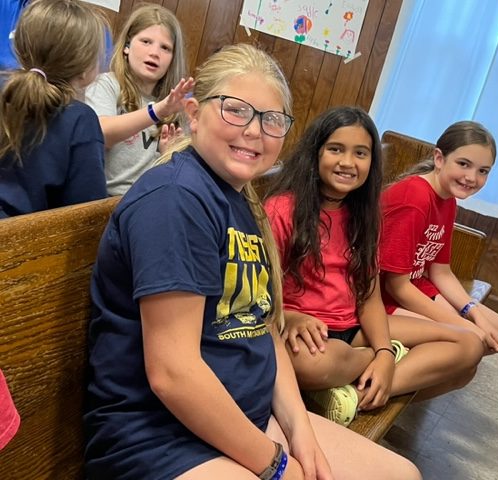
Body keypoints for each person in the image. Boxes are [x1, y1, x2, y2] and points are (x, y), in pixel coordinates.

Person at [84, 44, 421, 480]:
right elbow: (173, 374)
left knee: (401, 474)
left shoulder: (239, 201)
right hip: (160, 438)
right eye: (235, 110)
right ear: (193, 113)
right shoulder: (175, 200)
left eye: (272, 119)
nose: (254, 131)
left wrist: (300, 431)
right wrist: (276, 464)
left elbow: (262, 328)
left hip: (245, 417)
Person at [264, 107, 484, 427]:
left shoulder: (365, 215)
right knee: (309, 364)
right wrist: (292, 316)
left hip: (355, 328)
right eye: (336, 149)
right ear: (315, 153)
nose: (348, 162)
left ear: (371, 161)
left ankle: (354, 393)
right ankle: (381, 362)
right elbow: (260, 292)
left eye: (361, 153)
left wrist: (382, 351)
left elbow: (369, 297)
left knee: (468, 344)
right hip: (307, 331)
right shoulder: (282, 209)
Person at [379, 121, 498, 355]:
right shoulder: (415, 198)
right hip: (380, 296)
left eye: (483, 171)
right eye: (464, 164)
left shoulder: (448, 200)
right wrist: (460, 324)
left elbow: (440, 272)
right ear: (439, 159)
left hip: (414, 285)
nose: (472, 177)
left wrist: (474, 313)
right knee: (466, 342)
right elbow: (396, 286)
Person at [0, 0, 108, 218]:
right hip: (29, 237)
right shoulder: (80, 120)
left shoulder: (6, 94)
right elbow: (86, 215)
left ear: (20, 47)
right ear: (86, 69)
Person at [85, 3, 194, 196]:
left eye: (165, 48)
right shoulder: (107, 84)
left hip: (146, 199)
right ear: (127, 46)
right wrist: (157, 111)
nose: (154, 53)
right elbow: (101, 134)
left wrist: (168, 155)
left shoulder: (174, 105)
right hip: (102, 201)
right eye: (146, 41)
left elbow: (171, 177)